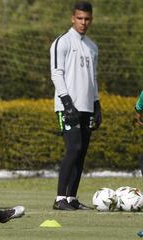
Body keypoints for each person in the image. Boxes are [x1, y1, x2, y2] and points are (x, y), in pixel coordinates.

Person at [49, 1, 101, 210]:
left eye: (87, 19)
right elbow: (56, 73)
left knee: (82, 152)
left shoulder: (92, 46)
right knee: (74, 149)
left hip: (87, 106)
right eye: (80, 18)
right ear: (73, 18)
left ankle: (72, 198)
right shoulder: (62, 42)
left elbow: (93, 78)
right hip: (67, 106)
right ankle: (60, 198)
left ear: (91, 20)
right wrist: (67, 102)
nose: (83, 22)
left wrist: (97, 105)